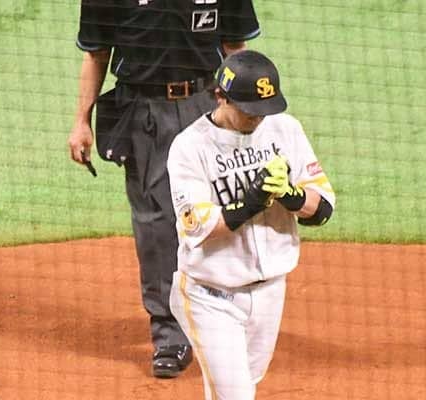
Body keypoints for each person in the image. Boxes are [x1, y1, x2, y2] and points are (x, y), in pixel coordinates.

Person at [68, 0, 262, 379]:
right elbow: (96, 54)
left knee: (226, 208)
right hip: (145, 110)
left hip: (209, 105)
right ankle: (170, 335)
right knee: (156, 223)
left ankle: (228, 313)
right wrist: (81, 121)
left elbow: (236, 49)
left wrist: (250, 113)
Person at [166, 50, 336, 399]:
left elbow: (323, 209)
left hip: (271, 292)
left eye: (264, 109)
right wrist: (251, 202)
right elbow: (200, 227)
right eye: (248, 109)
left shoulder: (285, 129)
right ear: (220, 96)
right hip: (209, 295)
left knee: (244, 387)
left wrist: (291, 195)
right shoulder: (189, 147)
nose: (258, 117)